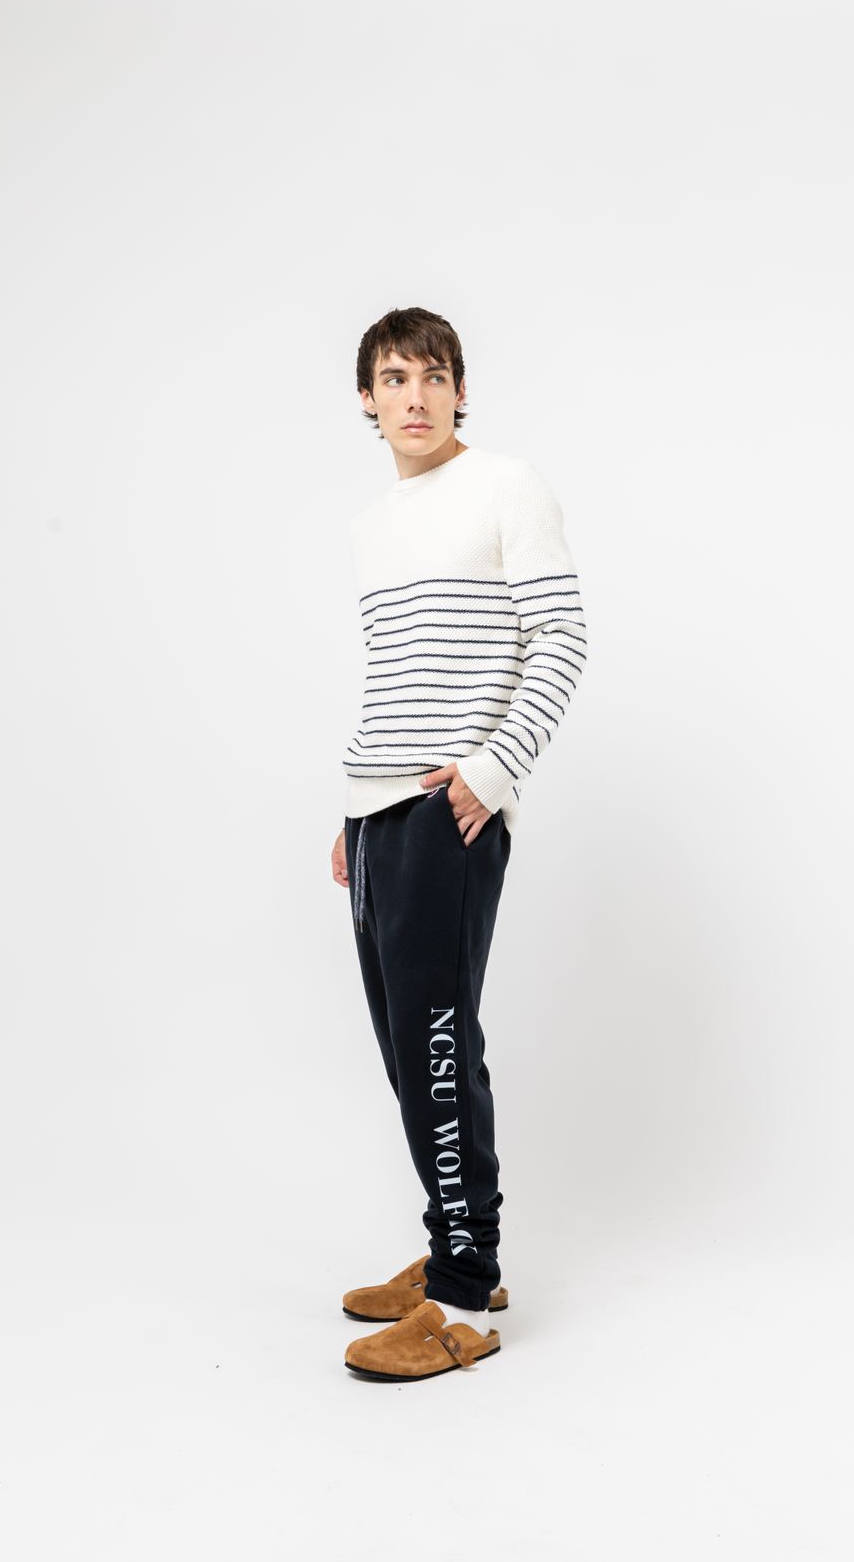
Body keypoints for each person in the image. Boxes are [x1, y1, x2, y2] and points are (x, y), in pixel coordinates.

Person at [329, 306, 588, 1382]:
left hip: (451, 809)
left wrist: (489, 773)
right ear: (366, 401)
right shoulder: (374, 522)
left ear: (460, 390)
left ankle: (462, 1301)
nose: (416, 395)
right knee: (403, 1044)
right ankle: (452, 1244)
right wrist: (353, 806)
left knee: (438, 1043)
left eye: (434, 375)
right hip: (377, 807)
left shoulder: (505, 487)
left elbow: (560, 636)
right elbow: (398, 674)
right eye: (395, 378)